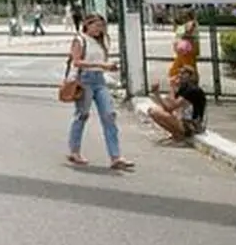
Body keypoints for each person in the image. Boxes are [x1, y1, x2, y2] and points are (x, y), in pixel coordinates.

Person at [66, 14, 134, 170]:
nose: (99, 29)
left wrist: (106, 66)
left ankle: (115, 156)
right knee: (82, 115)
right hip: (84, 79)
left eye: (101, 26)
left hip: (99, 80)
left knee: (109, 115)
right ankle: (74, 150)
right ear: (87, 25)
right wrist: (101, 64)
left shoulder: (101, 42)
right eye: (96, 26)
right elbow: (76, 61)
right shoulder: (80, 40)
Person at [147, 65, 207, 142]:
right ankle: (175, 134)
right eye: (179, 73)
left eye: (183, 73)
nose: (179, 75)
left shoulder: (192, 90)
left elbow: (170, 108)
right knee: (152, 110)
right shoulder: (184, 88)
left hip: (193, 125)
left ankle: (179, 136)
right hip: (185, 120)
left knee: (156, 112)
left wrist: (161, 93)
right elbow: (168, 103)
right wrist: (172, 89)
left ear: (191, 76)